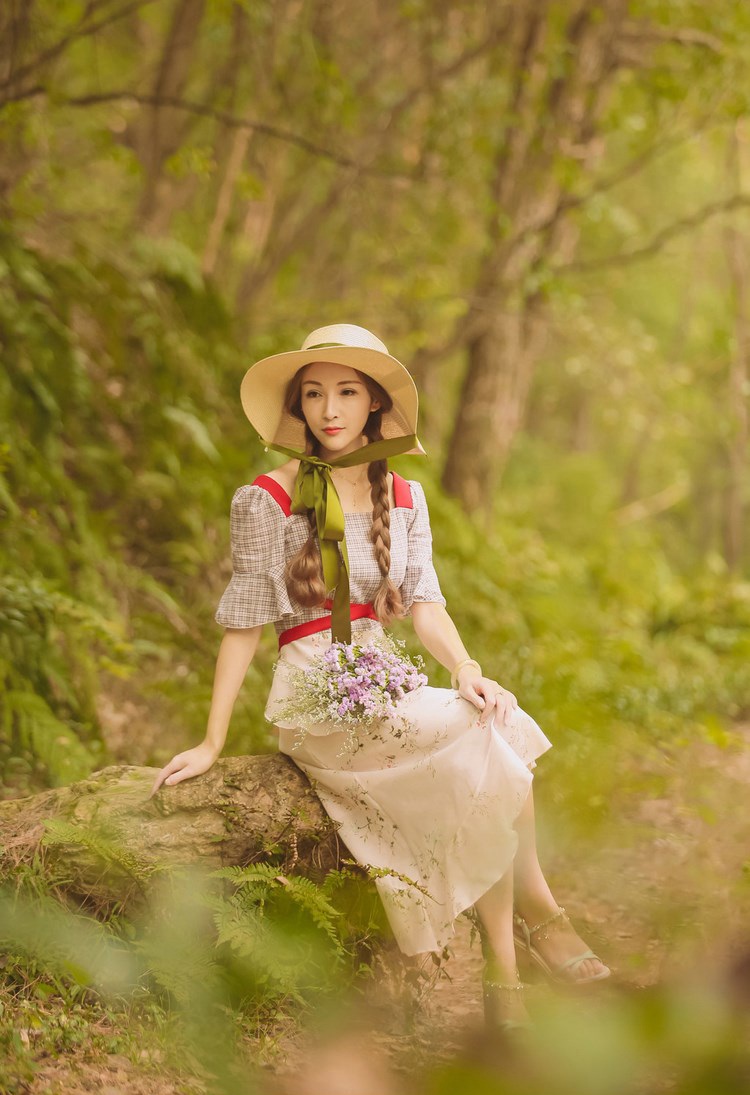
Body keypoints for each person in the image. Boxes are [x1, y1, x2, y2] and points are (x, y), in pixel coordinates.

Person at [150, 323, 610, 1029]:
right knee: (487, 747)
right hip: (313, 700)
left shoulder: (406, 497)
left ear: (373, 404)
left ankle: (505, 963)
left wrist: (465, 669)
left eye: (346, 391)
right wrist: (211, 741)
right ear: (298, 408)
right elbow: (243, 626)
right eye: (313, 394)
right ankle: (538, 922)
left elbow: (426, 607)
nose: (330, 408)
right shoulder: (266, 498)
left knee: (495, 722)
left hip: (385, 682)